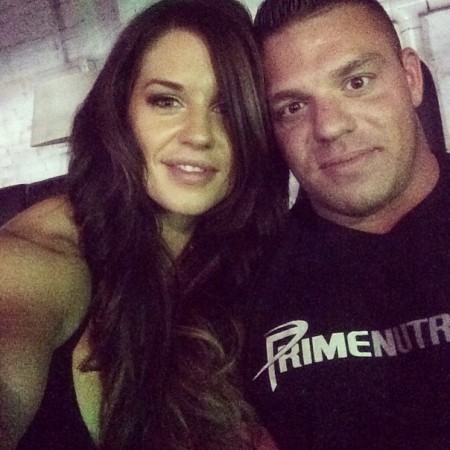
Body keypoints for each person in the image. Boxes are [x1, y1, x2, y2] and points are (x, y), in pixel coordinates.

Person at [0, 0, 288, 448]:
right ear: (121, 112)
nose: (199, 134)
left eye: (227, 108)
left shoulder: (250, 252)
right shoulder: (39, 260)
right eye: (166, 101)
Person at [241, 0, 450, 448]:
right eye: (293, 107)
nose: (330, 127)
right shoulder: (243, 286)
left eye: (357, 82)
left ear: (411, 78)